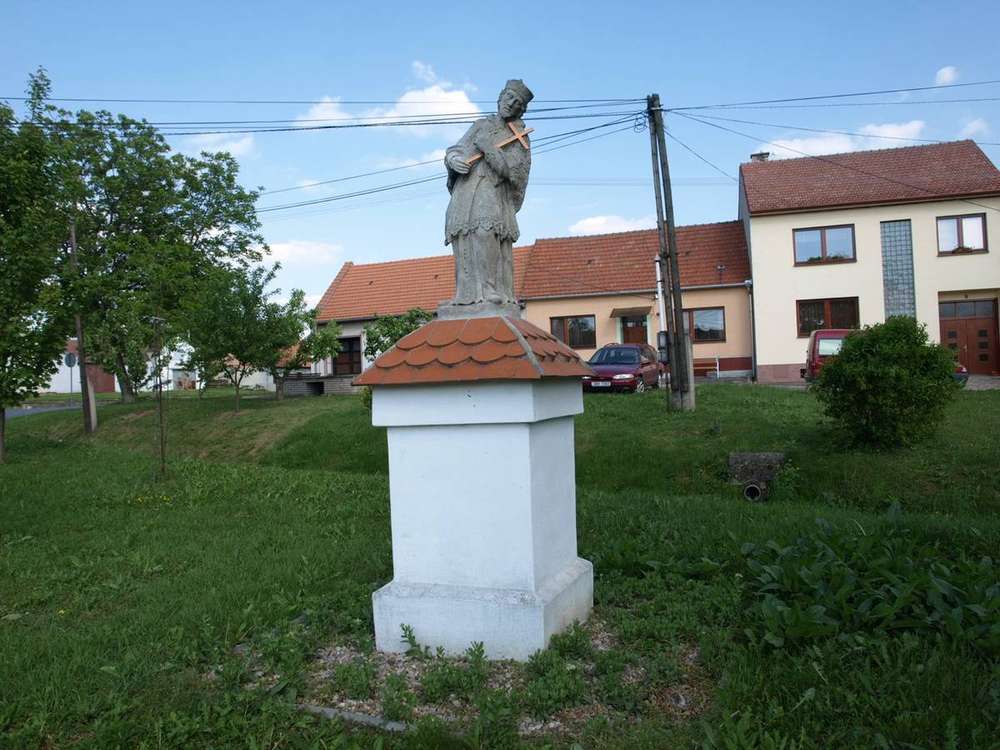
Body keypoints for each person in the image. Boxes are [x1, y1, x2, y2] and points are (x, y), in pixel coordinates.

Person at [443, 79, 533, 309]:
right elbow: (457, 149)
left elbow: (512, 172)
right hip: (466, 189)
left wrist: (488, 148)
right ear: (500, 97)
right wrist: (454, 160)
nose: (511, 104)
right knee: (464, 237)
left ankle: (490, 288)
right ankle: (466, 294)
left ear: (521, 110)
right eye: (509, 98)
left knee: (486, 233)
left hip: (492, 190)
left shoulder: (520, 137)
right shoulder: (481, 124)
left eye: (517, 103)